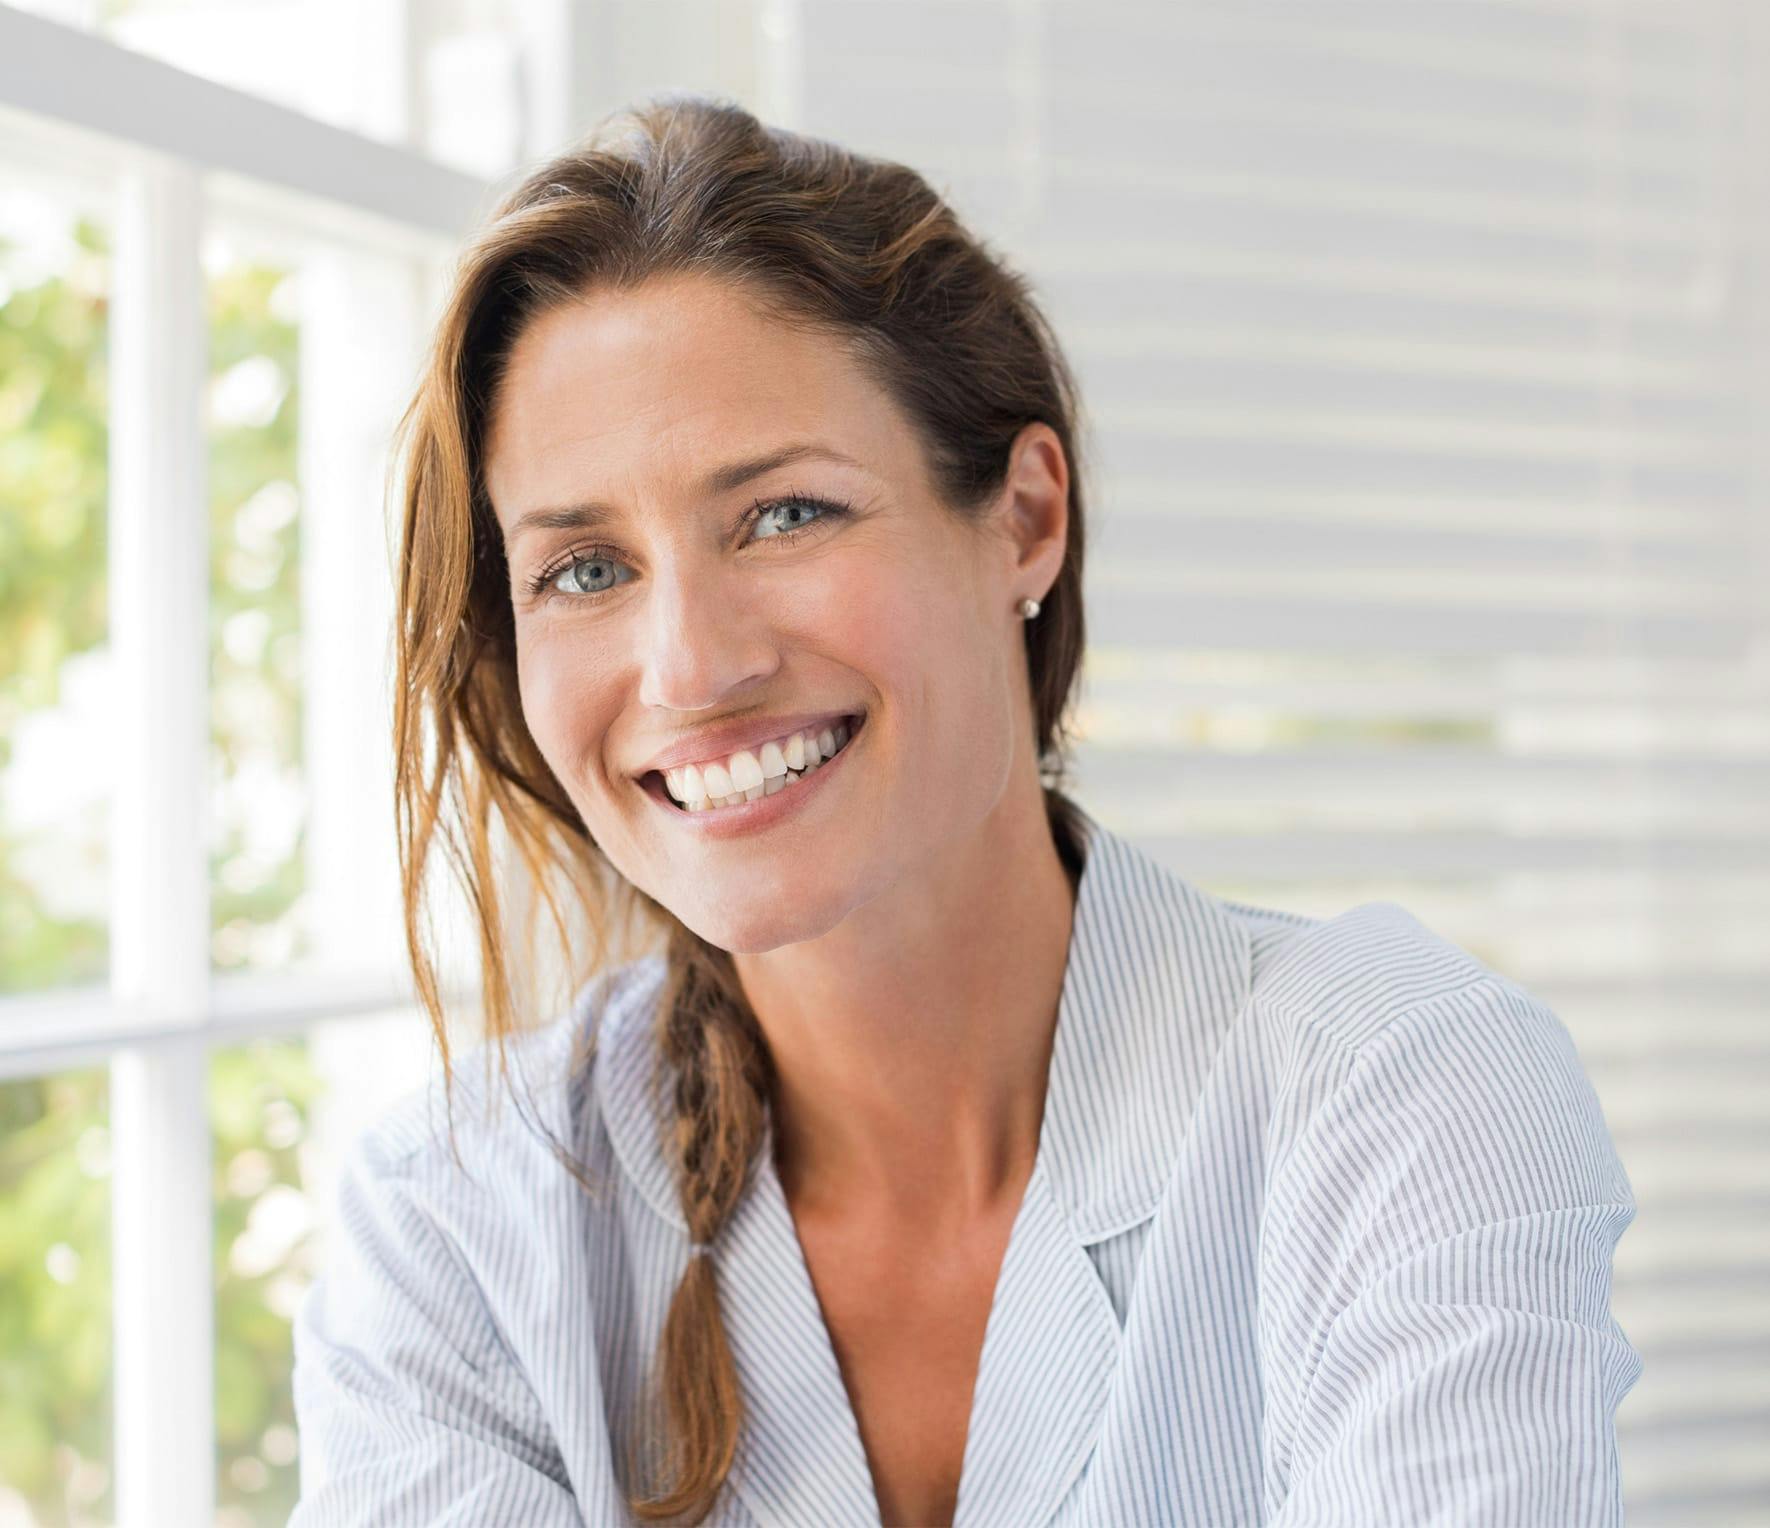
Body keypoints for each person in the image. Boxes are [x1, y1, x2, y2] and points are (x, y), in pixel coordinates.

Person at [288, 95, 1642, 1527]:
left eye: (785, 515)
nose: (690, 666)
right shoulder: (458, 1226)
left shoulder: (1397, 1093)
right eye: (582, 569)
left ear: (1023, 519)